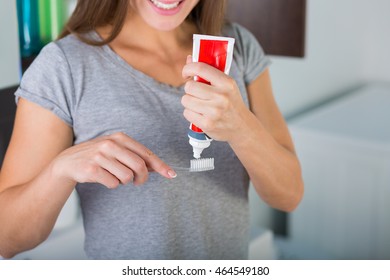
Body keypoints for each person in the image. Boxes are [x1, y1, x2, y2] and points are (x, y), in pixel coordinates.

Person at [0, 0, 303, 259]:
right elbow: (7, 239)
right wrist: (59, 170)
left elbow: (288, 195)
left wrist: (242, 128)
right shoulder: (63, 66)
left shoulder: (238, 48)